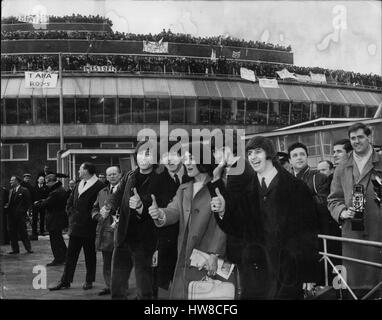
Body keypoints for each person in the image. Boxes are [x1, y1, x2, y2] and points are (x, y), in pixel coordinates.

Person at [210, 136, 318, 299]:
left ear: (270, 154)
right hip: (255, 273)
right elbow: (236, 229)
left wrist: (309, 273)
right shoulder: (247, 190)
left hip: (287, 271)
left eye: (258, 152)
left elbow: (308, 233)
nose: (253, 157)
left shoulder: (296, 188)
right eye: (250, 153)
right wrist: (223, 211)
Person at [149, 142, 227, 300]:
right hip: (185, 254)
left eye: (191, 158)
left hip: (207, 256)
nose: (187, 162)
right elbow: (174, 210)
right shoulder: (184, 188)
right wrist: (159, 213)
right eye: (185, 159)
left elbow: (223, 224)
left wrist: (214, 254)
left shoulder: (219, 185)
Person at [328, 123, 382, 294]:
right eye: (353, 138)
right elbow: (334, 199)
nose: (356, 141)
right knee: (355, 285)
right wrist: (342, 212)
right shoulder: (342, 167)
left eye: (360, 137)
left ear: (369, 137)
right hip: (352, 234)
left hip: (377, 230)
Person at [107, 140, 163, 300]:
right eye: (140, 154)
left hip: (145, 242)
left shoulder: (161, 179)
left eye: (148, 154)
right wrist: (109, 207)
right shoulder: (130, 175)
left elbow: (159, 207)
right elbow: (117, 196)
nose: (143, 158)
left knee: (145, 289)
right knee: (117, 287)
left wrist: (140, 206)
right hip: (124, 237)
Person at [49, 162, 105, 291]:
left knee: (89, 255)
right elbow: (69, 202)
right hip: (75, 227)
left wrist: (88, 219)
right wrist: (71, 215)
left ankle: (89, 280)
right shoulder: (79, 184)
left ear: (86, 170)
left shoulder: (99, 185)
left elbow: (99, 206)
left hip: (89, 227)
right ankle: (65, 281)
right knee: (70, 256)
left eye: (80, 169)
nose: (78, 171)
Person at [152, 145, 192, 298]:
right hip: (164, 243)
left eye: (174, 154)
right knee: (162, 286)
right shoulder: (155, 181)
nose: (169, 159)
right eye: (165, 156)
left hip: (189, 242)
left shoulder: (193, 176)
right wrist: (155, 247)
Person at [91, 166, 122, 296]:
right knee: (107, 262)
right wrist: (99, 217)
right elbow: (94, 209)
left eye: (114, 174)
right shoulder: (102, 191)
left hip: (122, 231)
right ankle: (110, 286)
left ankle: (120, 286)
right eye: (109, 175)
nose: (112, 176)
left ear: (120, 175)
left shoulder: (126, 190)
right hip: (106, 232)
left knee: (122, 262)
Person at [34, 174, 67, 266]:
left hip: (54, 218)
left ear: (52, 181)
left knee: (55, 240)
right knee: (59, 239)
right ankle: (65, 256)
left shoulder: (55, 192)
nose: (46, 184)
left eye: (47, 182)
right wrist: (43, 201)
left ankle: (58, 259)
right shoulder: (60, 189)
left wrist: (37, 203)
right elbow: (49, 200)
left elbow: (47, 203)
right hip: (58, 217)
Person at [4, 176, 33, 254]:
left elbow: (28, 203)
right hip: (11, 216)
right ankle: (15, 249)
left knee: (23, 232)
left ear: (17, 181)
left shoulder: (24, 190)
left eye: (12, 180)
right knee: (12, 232)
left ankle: (28, 248)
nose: (10, 182)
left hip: (20, 216)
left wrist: (24, 212)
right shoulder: (10, 191)